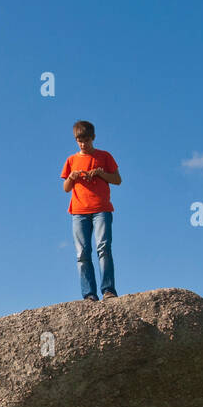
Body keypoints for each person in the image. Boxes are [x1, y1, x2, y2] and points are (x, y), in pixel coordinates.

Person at [60, 120, 121, 300]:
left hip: (101, 209)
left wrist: (101, 173)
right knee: (82, 254)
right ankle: (89, 294)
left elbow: (117, 180)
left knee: (104, 248)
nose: (83, 144)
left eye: (86, 140)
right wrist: (71, 178)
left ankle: (108, 290)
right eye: (79, 141)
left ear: (93, 138)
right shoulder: (71, 160)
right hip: (78, 212)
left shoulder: (105, 156)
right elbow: (65, 187)